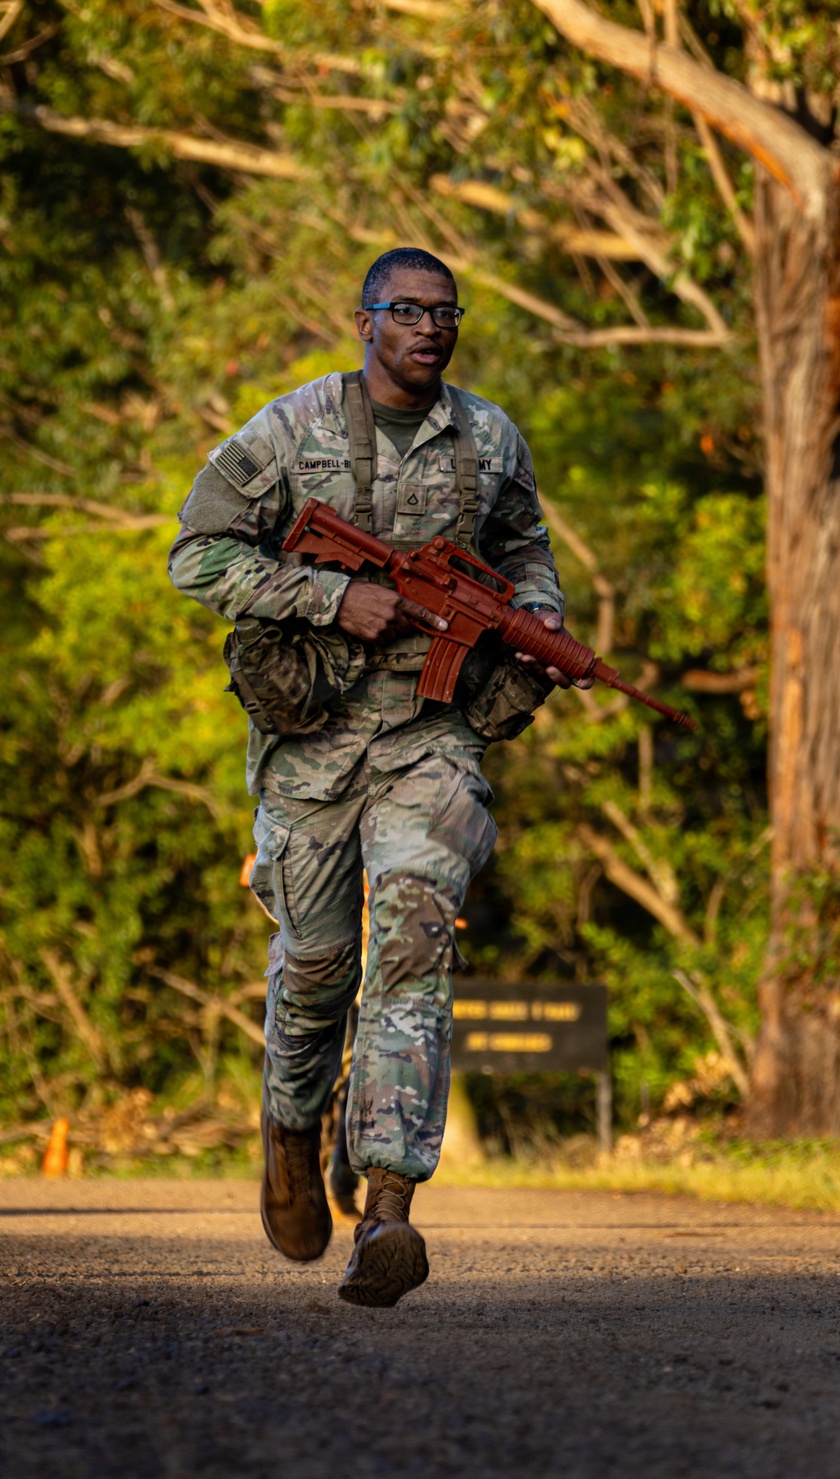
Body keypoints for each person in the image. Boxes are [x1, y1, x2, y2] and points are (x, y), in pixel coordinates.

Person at [168, 246, 580, 1308]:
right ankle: (291, 1130)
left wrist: (539, 619)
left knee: (414, 941)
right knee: (315, 965)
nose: (431, 326)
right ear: (365, 321)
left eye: (447, 311)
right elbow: (196, 554)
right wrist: (326, 597)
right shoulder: (292, 427)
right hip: (310, 737)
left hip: (430, 735)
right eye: (408, 309)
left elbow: (526, 549)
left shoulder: (489, 438)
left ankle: (389, 1205)